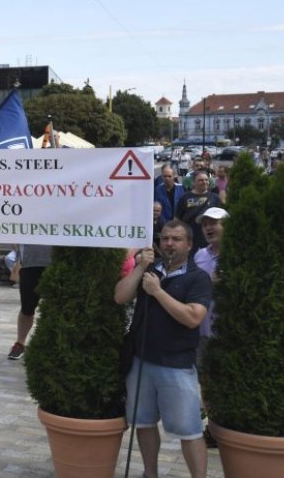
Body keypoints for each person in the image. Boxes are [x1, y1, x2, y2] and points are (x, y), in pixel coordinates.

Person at [114, 221, 212, 478]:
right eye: (165, 238)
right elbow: (120, 296)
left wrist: (157, 292)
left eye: (176, 239)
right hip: (141, 360)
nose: (169, 243)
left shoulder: (198, 278)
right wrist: (138, 267)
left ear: (189, 245)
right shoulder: (149, 271)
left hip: (176, 365)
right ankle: (150, 473)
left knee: (189, 430)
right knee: (144, 423)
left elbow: (193, 317)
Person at [193, 207, 226, 448]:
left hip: (228, 330)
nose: (208, 228)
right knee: (205, 378)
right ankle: (212, 427)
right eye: (205, 224)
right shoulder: (199, 256)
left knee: (226, 378)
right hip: (203, 330)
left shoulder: (238, 254)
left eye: (214, 223)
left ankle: (225, 424)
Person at [7, 244, 53, 360]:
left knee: (55, 308)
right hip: (30, 263)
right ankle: (20, 344)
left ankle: (52, 345)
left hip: (56, 262)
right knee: (27, 308)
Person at [174, 171, 221, 251]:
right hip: (190, 240)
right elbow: (177, 219)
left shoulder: (215, 198)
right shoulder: (185, 198)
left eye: (206, 180)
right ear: (194, 182)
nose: (204, 182)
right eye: (201, 180)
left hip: (209, 240)